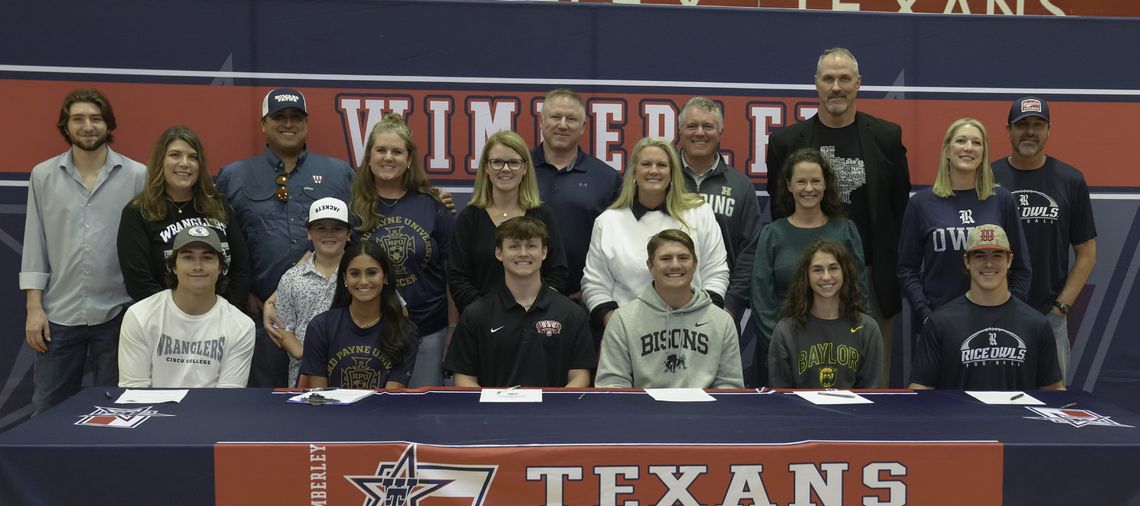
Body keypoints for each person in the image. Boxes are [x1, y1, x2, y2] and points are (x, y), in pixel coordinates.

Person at [766, 47, 911, 382]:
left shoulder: (887, 138)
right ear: (815, 84)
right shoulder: (786, 142)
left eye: (844, 78)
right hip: (807, 281)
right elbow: (779, 210)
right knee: (804, 378)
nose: (836, 87)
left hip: (871, 281)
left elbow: (898, 208)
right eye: (828, 78)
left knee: (871, 381)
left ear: (858, 83)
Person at [216, 88, 355, 387]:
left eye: (296, 117)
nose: (288, 124)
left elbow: (360, 230)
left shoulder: (339, 173)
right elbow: (220, 243)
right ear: (263, 124)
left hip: (327, 314)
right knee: (263, 407)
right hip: (255, 316)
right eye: (279, 117)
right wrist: (240, 293)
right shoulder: (234, 176)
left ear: (306, 124)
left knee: (327, 403)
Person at [21, 89, 147, 413]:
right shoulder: (43, 175)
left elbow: (145, 246)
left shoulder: (137, 175)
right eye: (78, 119)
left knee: (119, 412)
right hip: (58, 316)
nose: (87, 126)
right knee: (48, 412)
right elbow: (36, 244)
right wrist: (34, 308)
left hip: (118, 315)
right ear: (66, 125)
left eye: (95, 118)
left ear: (108, 125)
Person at [992, 96, 1096, 384]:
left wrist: (1061, 307)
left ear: (1049, 130)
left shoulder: (1070, 180)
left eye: (1038, 124)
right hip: (995, 311)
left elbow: (1087, 252)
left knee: (1052, 406)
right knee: (995, 400)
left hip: (1049, 315)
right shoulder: (987, 177)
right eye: (1022, 124)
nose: (1030, 131)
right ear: (1008, 130)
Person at [350, 114, 455, 387]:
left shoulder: (433, 206)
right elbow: (322, 259)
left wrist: (453, 327)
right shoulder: (352, 208)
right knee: (372, 416)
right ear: (369, 158)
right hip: (368, 331)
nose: (388, 157)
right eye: (381, 150)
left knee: (422, 418)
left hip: (428, 331)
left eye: (397, 151)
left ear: (409, 160)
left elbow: (452, 273)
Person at [582, 137, 729, 330]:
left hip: (693, 330)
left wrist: (704, 320)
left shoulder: (700, 213)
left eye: (661, 165)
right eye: (646, 164)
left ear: (672, 173)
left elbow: (716, 272)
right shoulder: (608, 222)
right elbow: (594, 283)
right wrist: (615, 324)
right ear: (634, 172)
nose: (653, 171)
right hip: (629, 333)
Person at [898, 118, 1031, 328]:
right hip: (939, 324)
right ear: (947, 150)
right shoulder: (921, 204)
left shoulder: (1002, 200)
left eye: (977, 143)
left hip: (993, 323)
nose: (968, 148)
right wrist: (926, 315)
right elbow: (907, 269)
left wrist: (1009, 312)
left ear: (984, 153)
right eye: (961, 141)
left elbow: (1022, 268)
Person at [750, 149, 868, 386]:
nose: (809, 188)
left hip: (838, 349)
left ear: (826, 185)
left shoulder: (845, 230)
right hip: (782, 350)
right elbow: (761, 297)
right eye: (801, 181)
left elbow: (858, 290)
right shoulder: (772, 234)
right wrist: (782, 345)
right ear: (788, 185)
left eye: (816, 181)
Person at [909, 224, 1064, 391]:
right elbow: (920, 389)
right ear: (967, 261)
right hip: (959, 417)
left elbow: (1054, 392)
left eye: (997, 256)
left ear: (1009, 260)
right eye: (979, 256)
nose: (988, 264)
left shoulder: (1036, 324)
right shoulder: (940, 323)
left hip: (1015, 418)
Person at [443, 217, 594, 387]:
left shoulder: (572, 314)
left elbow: (580, 376)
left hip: (551, 412)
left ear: (544, 252)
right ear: (499, 253)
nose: (523, 253)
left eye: (531, 246)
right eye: (514, 246)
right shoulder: (475, 315)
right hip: (494, 413)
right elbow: (464, 378)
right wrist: (492, 412)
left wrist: (552, 410)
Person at [677, 96, 764, 383]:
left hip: (719, 310)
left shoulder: (740, 186)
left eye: (707, 126)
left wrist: (731, 305)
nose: (699, 132)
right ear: (680, 130)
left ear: (720, 132)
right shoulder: (662, 177)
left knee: (720, 392)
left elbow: (750, 251)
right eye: (692, 125)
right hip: (661, 310)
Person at [118, 125, 251, 309]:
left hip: (222, 318)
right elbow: (138, 283)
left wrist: (221, 313)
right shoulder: (138, 212)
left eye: (193, 157)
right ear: (161, 161)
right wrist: (181, 317)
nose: (184, 163)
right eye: (175, 155)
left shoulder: (219, 206)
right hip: (164, 321)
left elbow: (242, 269)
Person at [596, 229, 743, 389]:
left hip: (703, 413)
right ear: (650, 266)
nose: (675, 265)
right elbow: (612, 386)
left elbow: (730, 388)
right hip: (644, 412)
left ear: (695, 265)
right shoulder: (623, 320)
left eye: (683, 258)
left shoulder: (722, 322)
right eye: (665, 258)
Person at [118, 226, 256, 388]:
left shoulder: (241, 326)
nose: (197, 266)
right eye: (188, 257)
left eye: (207, 257)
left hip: (211, 412)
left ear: (220, 268)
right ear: (173, 266)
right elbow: (134, 392)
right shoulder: (139, 315)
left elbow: (227, 400)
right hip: (155, 412)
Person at [449, 130, 568, 313]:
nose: (505, 169)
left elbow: (558, 273)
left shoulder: (543, 215)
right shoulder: (469, 218)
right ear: (486, 168)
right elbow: (458, 278)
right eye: (497, 162)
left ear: (525, 168)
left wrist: (531, 311)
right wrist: (487, 315)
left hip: (536, 321)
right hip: (483, 324)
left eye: (514, 162)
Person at [531, 88, 622, 298]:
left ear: (582, 127)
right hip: (521, 300)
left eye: (571, 119)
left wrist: (595, 290)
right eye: (555, 117)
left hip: (584, 300)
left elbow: (619, 242)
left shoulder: (607, 178)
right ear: (542, 121)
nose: (562, 125)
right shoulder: (518, 169)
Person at [300, 241, 418, 389]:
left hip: (382, 411)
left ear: (385, 277)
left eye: (372, 273)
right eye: (355, 273)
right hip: (332, 411)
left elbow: (391, 399)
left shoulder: (405, 331)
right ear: (344, 278)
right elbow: (320, 397)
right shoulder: (320, 327)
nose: (363, 281)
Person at [768, 239, 883, 389]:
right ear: (806, 277)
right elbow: (781, 395)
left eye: (833, 268)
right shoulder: (785, 330)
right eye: (817, 270)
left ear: (845, 272)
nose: (826, 277)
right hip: (800, 412)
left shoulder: (867, 329)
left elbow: (871, 392)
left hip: (853, 411)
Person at [269, 198, 351, 387]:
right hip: (304, 373)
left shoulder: (362, 274)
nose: (329, 234)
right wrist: (308, 356)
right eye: (320, 228)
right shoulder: (292, 278)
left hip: (354, 369)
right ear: (308, 233)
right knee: (308, 416)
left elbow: (395, 311)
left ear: (348, 234)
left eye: (337, 228)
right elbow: (283, 327)